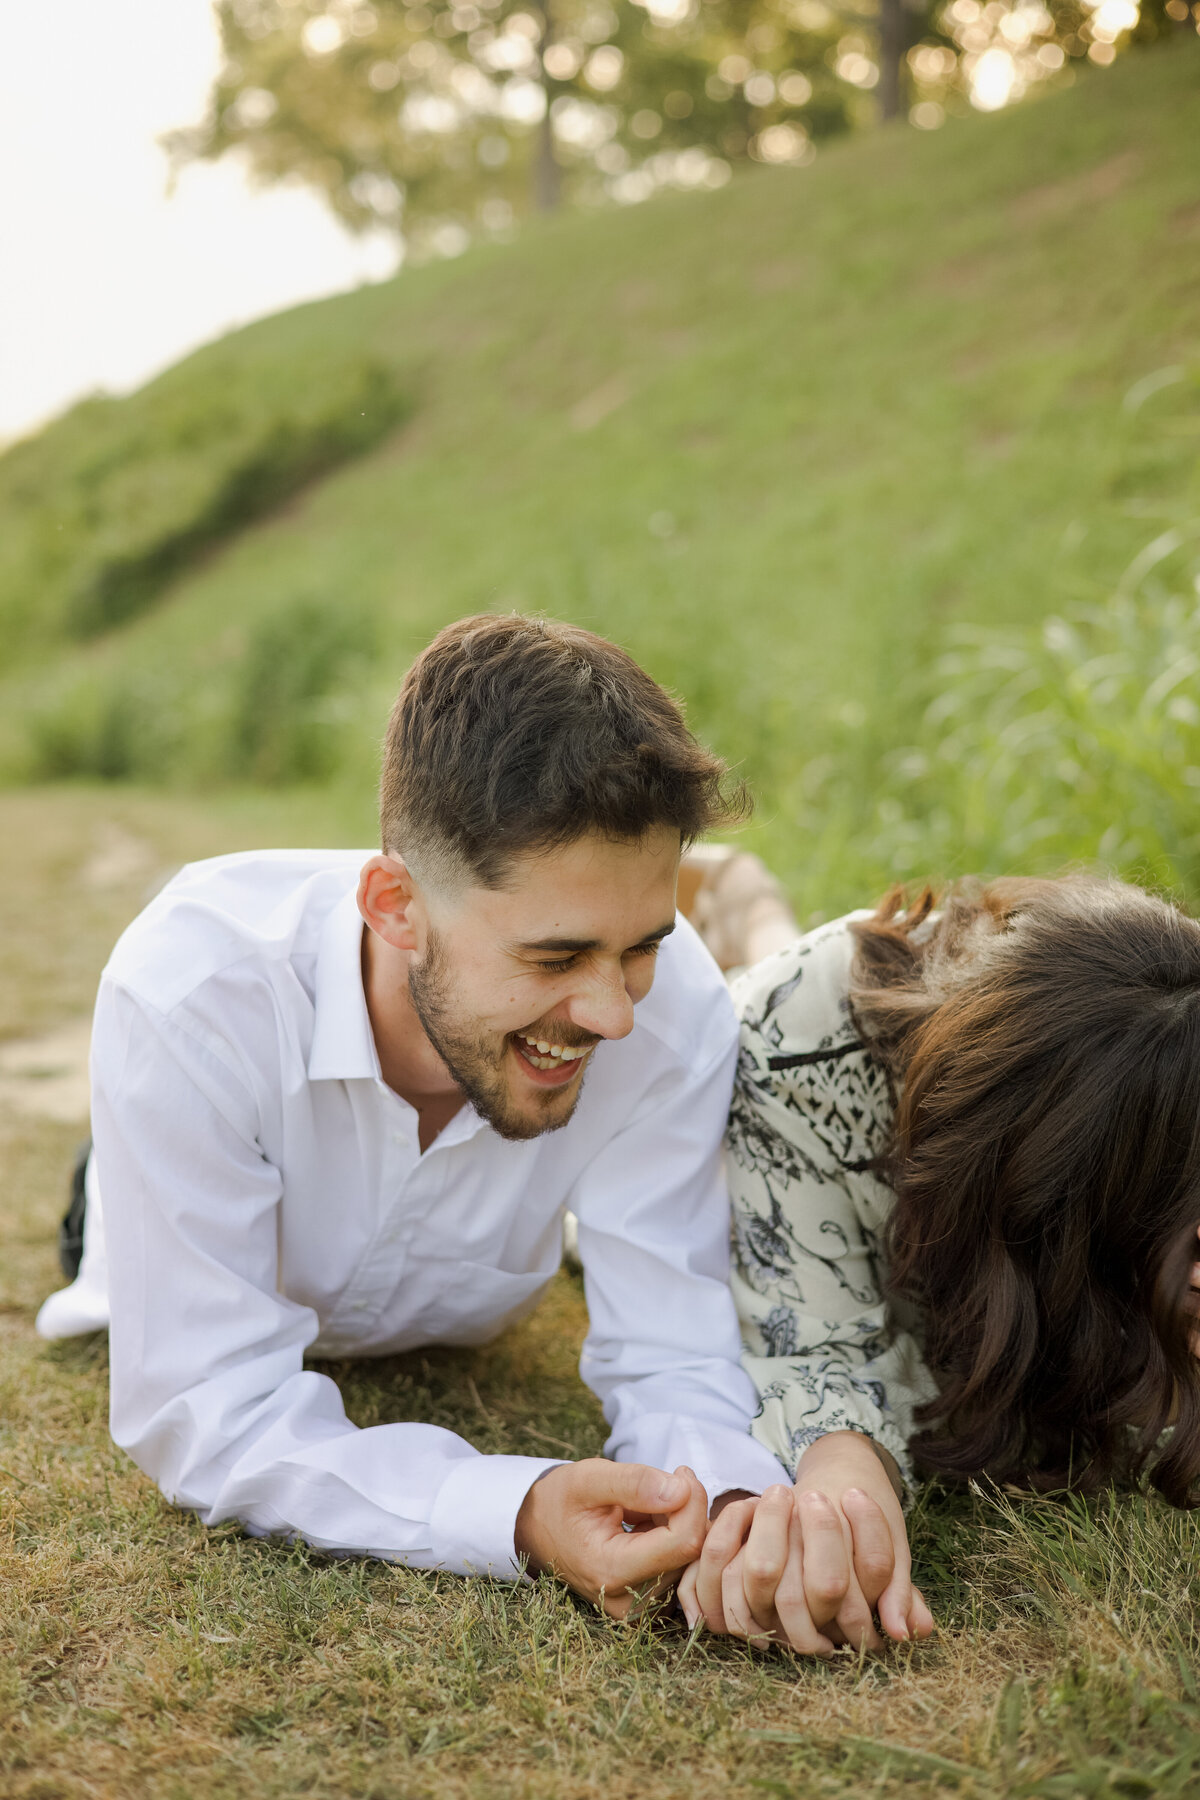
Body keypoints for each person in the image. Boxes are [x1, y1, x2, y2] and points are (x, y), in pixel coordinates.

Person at [37, 613, 798, 1615]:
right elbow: (208, 1409)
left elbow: (676, 1347)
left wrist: (728, 1509)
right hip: (196, 1157)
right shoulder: (192, 993)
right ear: (394, 904)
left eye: (643, 945)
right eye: (557, 956)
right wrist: (515, 1509)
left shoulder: (672, 1014)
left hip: (448, 1260)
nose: (615, 1011)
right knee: (148, 1174)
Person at [678, 876, 1200, 1654]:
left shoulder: (1163, 1041)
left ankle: (744, 900)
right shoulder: (791, 1054)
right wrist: (841, 1499)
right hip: (822, 1066)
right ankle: (735, 894)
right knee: (743, 1008)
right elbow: (820, 1345)